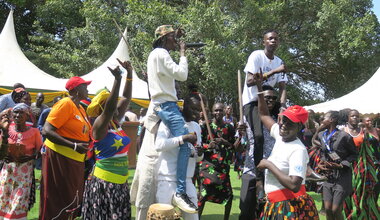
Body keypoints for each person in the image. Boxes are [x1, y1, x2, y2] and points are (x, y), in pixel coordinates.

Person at [146, 24, 196, 213]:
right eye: (173, 38)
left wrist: (176, 38)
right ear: (165, 39)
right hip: (167, 105)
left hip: (162, 104)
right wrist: (183, 54)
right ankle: (181, 192)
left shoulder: (155, 55)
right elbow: (182, 75)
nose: (176, 41)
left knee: (184, 142)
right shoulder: (162, 54)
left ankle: (180, 190)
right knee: (185, 142)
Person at [254, 72, 318, 219]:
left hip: (289, 206)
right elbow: (264, 115)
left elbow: (294, 184)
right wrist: (259, 88)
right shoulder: (280, 135)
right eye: (284, 120)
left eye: (290, 123)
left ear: (300, 128)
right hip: (276, 204)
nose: (283, 125)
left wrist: (269, 165)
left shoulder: (298, 150)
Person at [81, 59, 133, 219]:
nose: (118, 105)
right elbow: (110, 109)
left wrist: (129, 75)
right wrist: (117, 79)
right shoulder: (99, 125)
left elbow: (126, 97)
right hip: (105, 184)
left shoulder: (116, 123)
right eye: (112, 102)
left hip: (120, 183)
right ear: (104, 107)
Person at [39, 76, 92, 219]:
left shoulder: (80, 107)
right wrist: (74, 145)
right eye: (84, 86)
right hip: (59, 157)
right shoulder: (65, 104)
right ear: (75, 90)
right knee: (56, 197)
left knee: (71, 197)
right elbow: (47, 130)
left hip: (75, 159)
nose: (87, 89)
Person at [242, 30, 287, 183]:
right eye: (270, 38)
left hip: (270, 100)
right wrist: (274, 71)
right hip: (253, 101)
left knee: (289, 124)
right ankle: (258, 172)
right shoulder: (256, 56)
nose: (273, 41)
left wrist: (282, 107)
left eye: (276, 38)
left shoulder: (279, 61)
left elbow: (283, 87)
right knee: (259, 136)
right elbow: (249, 81)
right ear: (264, 42)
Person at [155, 95, 202, 220]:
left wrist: (200, 153)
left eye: (199, 110)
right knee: (163, 217)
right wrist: (183, 139)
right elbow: (159, 145)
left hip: (187, 180)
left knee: (193, 218)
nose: (197, 113)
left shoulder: (197, 127)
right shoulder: (170, 120)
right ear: (185, 105)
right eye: (194, 109)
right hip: (167, 179)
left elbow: (196, 158)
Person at [239, 85, 280, 220]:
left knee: (265, 211)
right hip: (251, 168)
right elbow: (240, 146)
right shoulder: (248, 118)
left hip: (270, 170)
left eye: (274, 98)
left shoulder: (279, 120)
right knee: (245, 210)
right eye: (267, 98)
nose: (271, 101)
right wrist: (241, 135)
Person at [0, 103, 43, 219]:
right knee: (4, 197)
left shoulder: (34, 132)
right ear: (12, 115)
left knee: (19, 199)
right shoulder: (6, 128)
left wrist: (30, 157)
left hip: (24, 172)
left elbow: (40, 152)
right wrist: (4, 156)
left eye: (21, 113)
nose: (18, 115)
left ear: (27, 115)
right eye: (16, 112)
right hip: (8, 170)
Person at [313, 110, 357, 220]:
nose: (322, 120)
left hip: (342, 176)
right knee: (327, 208)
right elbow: (323, 152)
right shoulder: (321, 135)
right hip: (329, 176)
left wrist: (342, 165)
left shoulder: (344, 136)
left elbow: (354, 154)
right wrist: (321, 164)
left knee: (335, 209)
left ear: (332, 120)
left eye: (324, 118)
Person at [197, 103, 237, 220]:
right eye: (216, 110)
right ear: (212, 112)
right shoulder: (205, 126)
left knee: (228, 195)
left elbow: (233, 146)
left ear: (224, 111)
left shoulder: (229, 127)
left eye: (220, 110)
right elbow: (198, 146)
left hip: (223, 166)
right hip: (207, 164)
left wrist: (225, 142)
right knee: (203, 194)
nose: (218, 113)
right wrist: (208, 145)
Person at [342, 110, 379, 219]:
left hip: (361, 166)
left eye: (357, 116)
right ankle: (350, 214)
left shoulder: (363, 132)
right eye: (352, 116)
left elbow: (368, 151)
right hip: (347, 166)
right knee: (348, 192)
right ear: (348, 118)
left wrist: (370, 168)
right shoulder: (343, 131)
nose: (355, 118)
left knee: (361, 191)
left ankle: (361, 213)